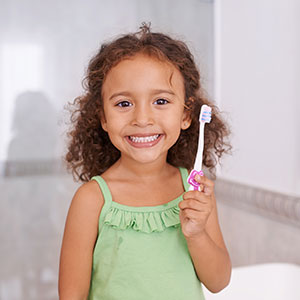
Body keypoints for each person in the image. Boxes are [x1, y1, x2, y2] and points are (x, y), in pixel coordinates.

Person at [59, 23, 232, 300]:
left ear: (186, 115)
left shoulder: (194, 190)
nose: (142, 119)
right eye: (124, 104)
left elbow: (219, 281)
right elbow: (71, 295)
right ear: (103, 118)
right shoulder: (92, 200)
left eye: (161, 101)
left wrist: (197, 234)